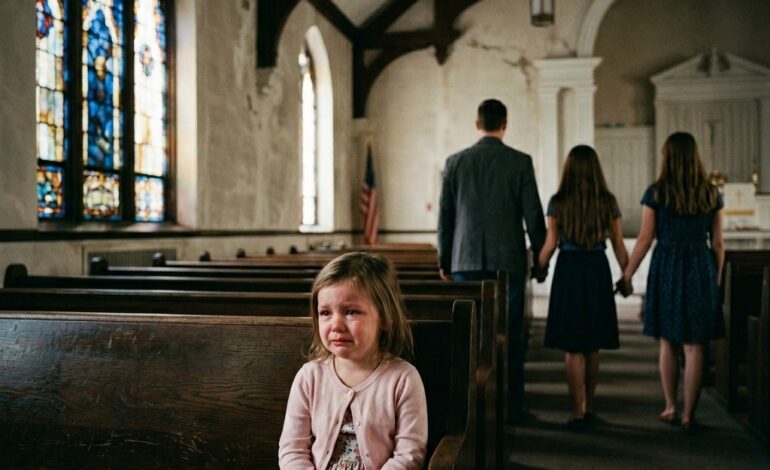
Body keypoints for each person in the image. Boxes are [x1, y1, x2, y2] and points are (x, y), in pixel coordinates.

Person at [437, 98, 547, 422]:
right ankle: (511, 409)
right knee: (509, 337)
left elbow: (446, 217)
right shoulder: (520, 162)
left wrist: (444, 260)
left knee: (470, 335)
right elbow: (534, 217)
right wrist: (541, 263)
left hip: (464, 260)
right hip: (508, 262)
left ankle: (472, 410)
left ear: (477, 124)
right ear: (505, 124)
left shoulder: (455, 162)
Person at [279, 252, 428, 469]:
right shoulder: (309, 376)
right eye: (325, 313)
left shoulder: (403, 378)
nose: (336, 325)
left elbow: (409, 454)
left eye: (350, 312)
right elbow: (292, 449)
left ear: (385, 318)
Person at [620, 132, 724, 432]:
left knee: (668, 341)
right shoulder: (710, 193)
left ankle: (670, 406)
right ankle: (690, 414)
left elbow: (644, 238)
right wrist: (715, 280)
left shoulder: (656, 192)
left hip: (667, 265)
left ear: (666, 157)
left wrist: (627, 274)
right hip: (700, 267)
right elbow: (718, 243)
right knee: (695, 346)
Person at [536, 145, 628, 430]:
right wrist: (626, 275)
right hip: (597, 269)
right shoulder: (607, 201)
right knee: (592, 345)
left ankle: (576, 411)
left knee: (572, 346)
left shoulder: (558, 201)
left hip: (569, 270)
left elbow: (550, 244)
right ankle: (589, 406)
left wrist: (539, 268)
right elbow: (617, 244)